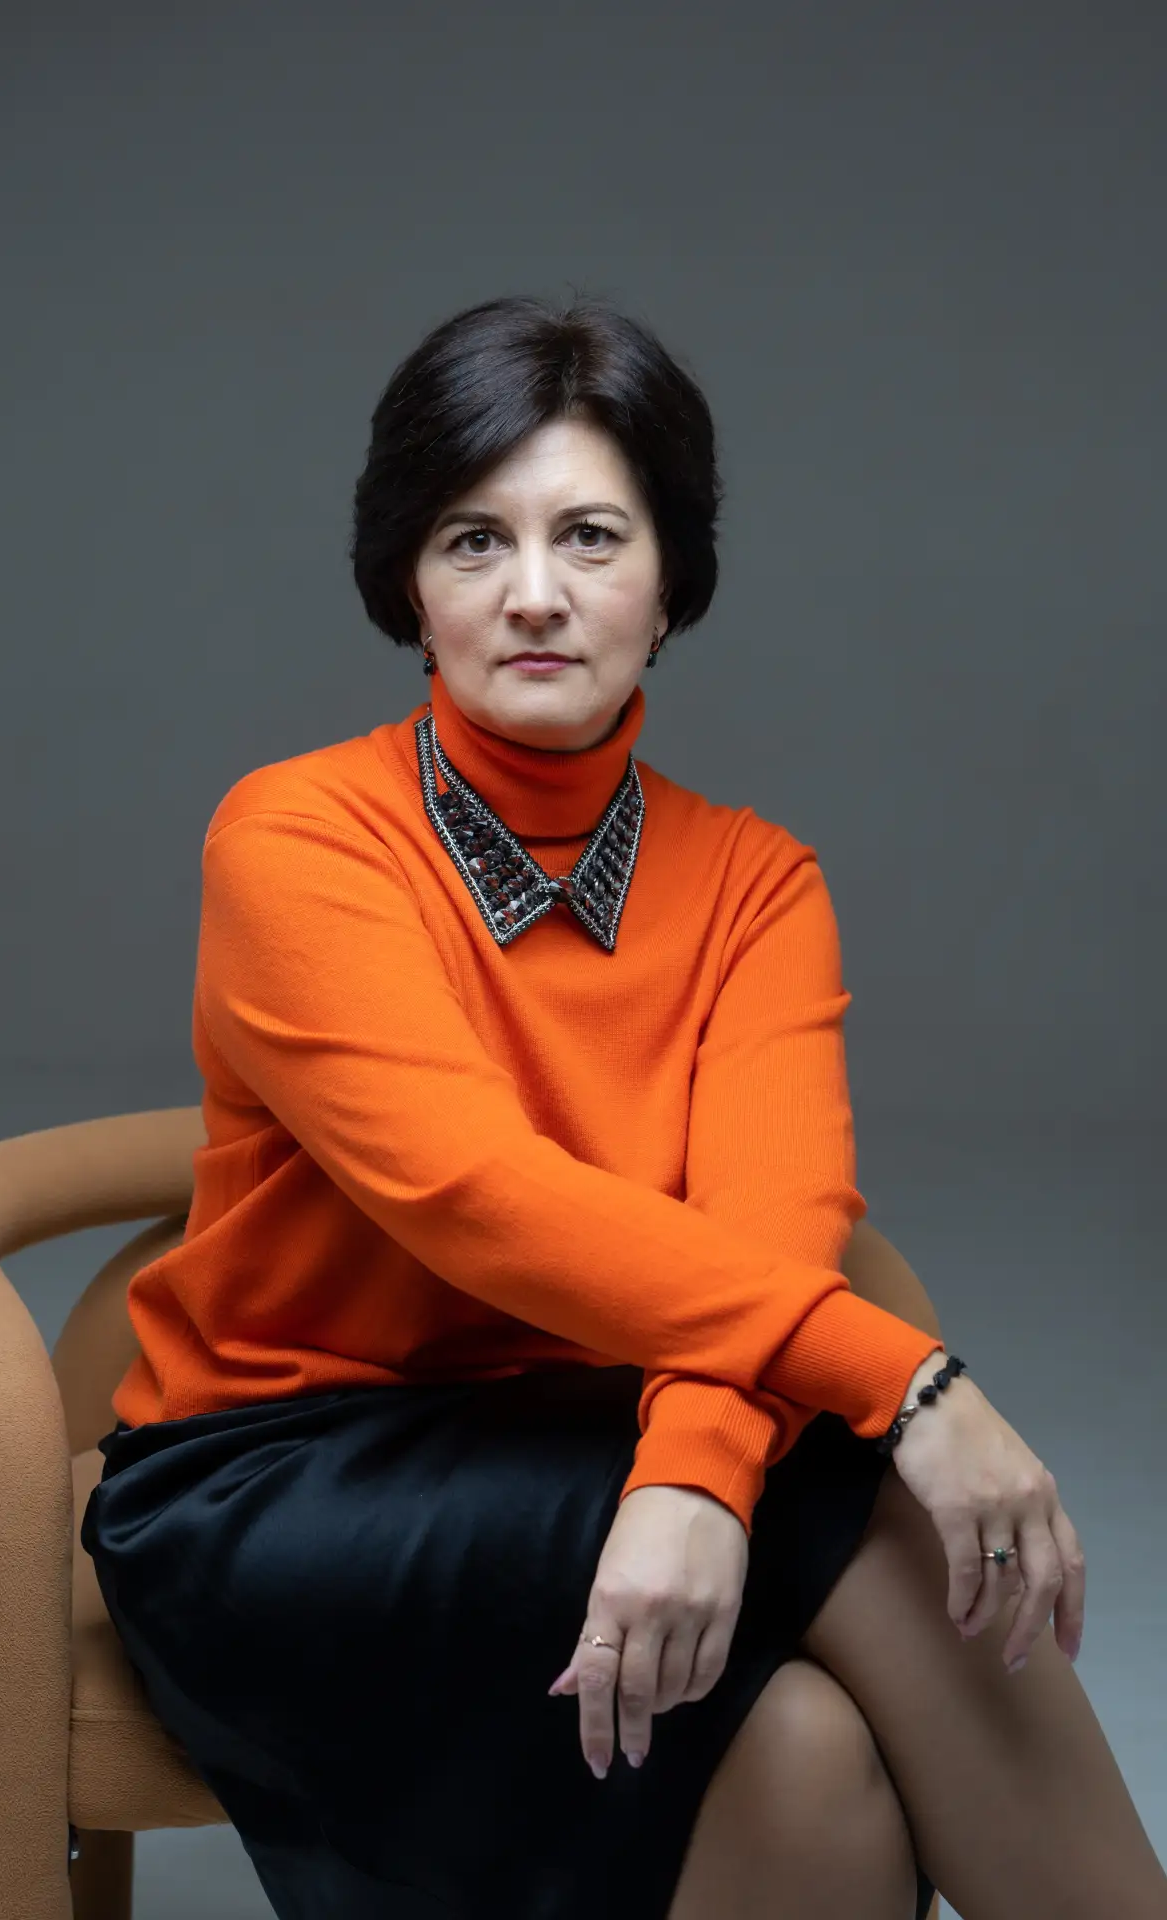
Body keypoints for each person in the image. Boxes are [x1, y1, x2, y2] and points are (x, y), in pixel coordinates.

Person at [81, 293, 1166, 1920]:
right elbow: (478, 1197)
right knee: (874, 1504)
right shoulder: (299, 838)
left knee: (806, 1755)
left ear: (671, 586)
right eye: (474, 541)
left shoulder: (755, 881)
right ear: (408, 585)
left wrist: (696, 1476)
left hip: (596, 1438)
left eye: (591, 536)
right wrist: (912, 1385)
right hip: (283, 1483)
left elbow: (772, 1226)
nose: (534, 593)